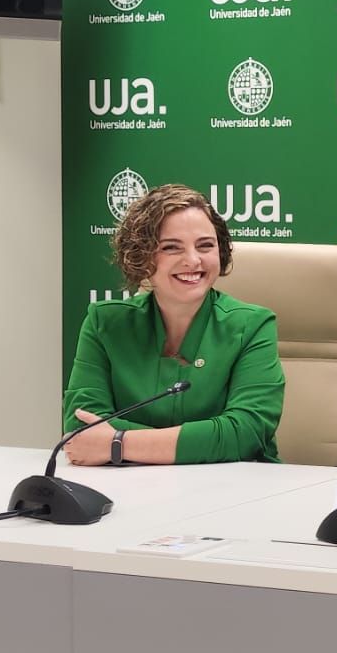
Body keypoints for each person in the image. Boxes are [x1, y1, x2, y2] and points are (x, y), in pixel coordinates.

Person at [61, 184, 284, 465]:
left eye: (205, 245)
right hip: (129, 486)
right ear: (142, 256)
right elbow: (82, 427)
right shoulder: (104, 323)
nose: (192, 260)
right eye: (171, 247)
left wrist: (117, 443)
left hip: (235, 485)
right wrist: (203, 441)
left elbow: (246, 434)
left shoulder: (252, 325)